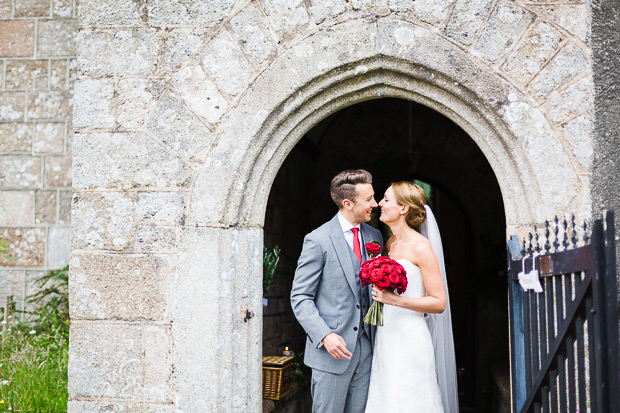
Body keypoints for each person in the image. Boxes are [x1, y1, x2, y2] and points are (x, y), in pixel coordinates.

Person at [291, 169, 384, 413]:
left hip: (368, 348)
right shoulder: (317, 240)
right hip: (332, 352)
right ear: (347, 203)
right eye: (369, 199)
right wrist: (325, 335)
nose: (375, 204)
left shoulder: (375, 236)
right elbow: (300, 297)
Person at [365, 182, 458, 413]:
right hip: (387, 336)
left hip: (411, 337)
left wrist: (395, 300)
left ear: (404, 209)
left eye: (386, 200)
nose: (380, 205)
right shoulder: (390, 244)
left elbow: (439, 302)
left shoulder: (421, 247)